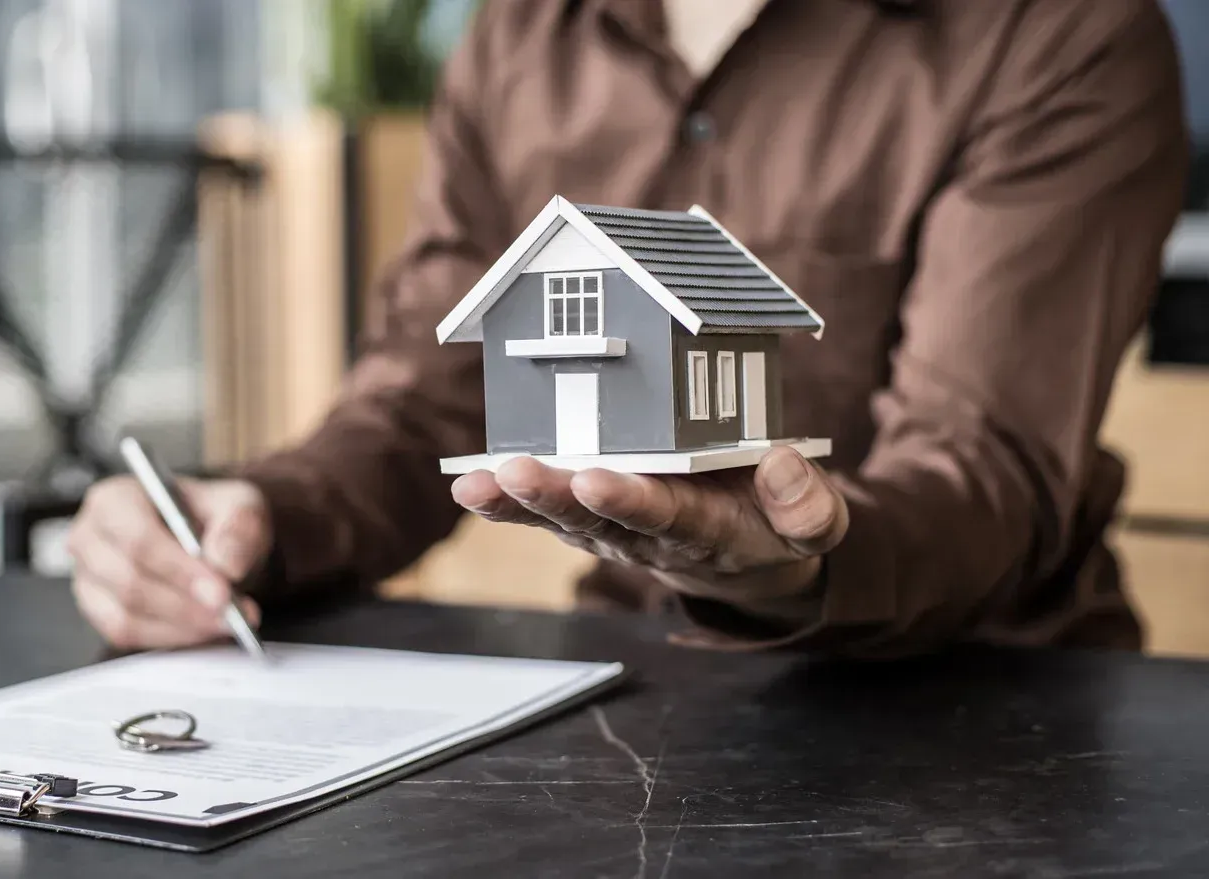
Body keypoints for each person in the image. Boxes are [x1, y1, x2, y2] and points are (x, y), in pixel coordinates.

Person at [67, 0, 1188, 657]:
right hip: (630, 706)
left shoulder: (1059, 31)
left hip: (987, 723)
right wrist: (264, 512)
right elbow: (432, 391)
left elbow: (981, 464)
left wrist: (778, 564)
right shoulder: (519, 31)